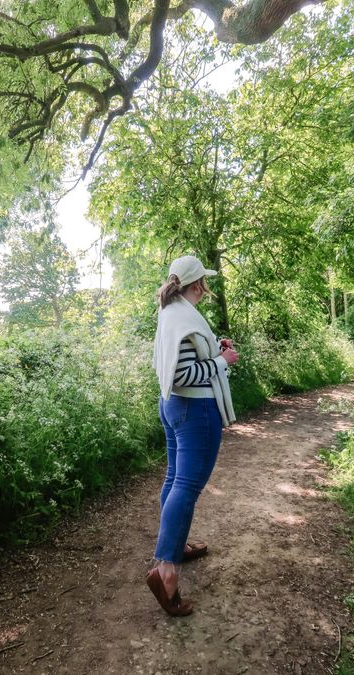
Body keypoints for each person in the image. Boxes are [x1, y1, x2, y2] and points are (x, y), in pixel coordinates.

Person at [147, 255, 239, 616]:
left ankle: (176, 546)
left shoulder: (171, 312)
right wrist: (222, 363)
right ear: (198, 284)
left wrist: (214, 350)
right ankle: (166, 571)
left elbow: (177, 362)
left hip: (171, 406)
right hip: (194, 410)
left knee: (175, 479)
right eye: (205, 281)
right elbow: (185, 374)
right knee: (186, 485)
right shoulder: (183, 315)